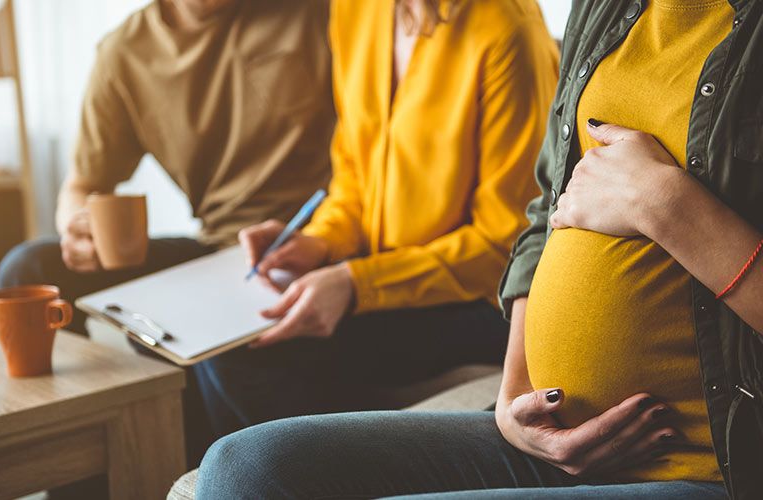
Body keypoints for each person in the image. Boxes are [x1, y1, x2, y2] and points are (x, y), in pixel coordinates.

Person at [195, 0, 763, 498]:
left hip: (713, 460)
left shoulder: (504, 27)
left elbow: (498, 236)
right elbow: (544, 214)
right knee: (240, 467)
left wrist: (666, 204)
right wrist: (511, 400)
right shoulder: (603, 9)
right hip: (547, 425)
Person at [190, 0, 559, 434]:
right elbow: (353, 175)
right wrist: (320, 241)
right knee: (212, 341)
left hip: (477, 300)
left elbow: (505, 246)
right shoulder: (354, 8)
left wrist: (356, 284)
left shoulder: (507, 31)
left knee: (237, 357)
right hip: (383, 274)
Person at [0, 0, 334, 336]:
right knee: (29, 270)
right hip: (218, 250)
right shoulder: (125, 53)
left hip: (315, 241)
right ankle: (98, 393)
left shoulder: (316, 12)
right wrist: (77, 226)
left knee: (207, 338)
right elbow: (82, 185)